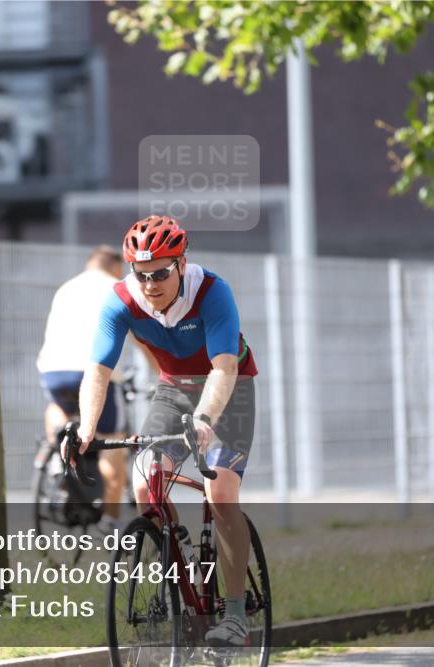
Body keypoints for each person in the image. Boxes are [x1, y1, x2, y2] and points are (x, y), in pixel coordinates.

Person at [72, 215, 258, 647]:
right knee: (144, 483)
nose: (151, 283)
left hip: (229, 390)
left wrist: (207, 419)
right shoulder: (120, 300)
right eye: (142, 274)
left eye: (160, 273)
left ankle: (233, 614)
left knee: (222, 493)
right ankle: (178, 550)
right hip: (173, 390)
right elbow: (98, 372)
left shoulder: (212, 291)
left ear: (181, 264)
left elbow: (224, 368)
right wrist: (87, 427)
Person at [37, 245, 156, 529]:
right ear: (116, 266)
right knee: (110, 439)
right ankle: (110, 519)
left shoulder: (66, 288)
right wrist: (162, 372)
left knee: (59, 408)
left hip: (54, 370)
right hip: (93, 372)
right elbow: (140, 336)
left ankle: (56, 455)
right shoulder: (115, 287)